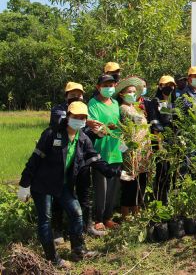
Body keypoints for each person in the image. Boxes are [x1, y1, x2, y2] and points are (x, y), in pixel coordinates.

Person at [18, 101, 120, 268]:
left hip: (62, 185)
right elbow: (35, 159)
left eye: (82, 117)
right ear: (68, 117)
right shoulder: (51, 134)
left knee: (76, 212)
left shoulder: (83, 138)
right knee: (45, 220)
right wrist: (24, 184)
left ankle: (78, 251)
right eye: (76, 117)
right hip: (42, 185)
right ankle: (53, 260)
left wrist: (117, 173)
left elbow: (96, 161)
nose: (79, 120)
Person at [49, 82, 106, 239]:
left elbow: (86, 134)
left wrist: (97, 132)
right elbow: (60, 123)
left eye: (79, 94)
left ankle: (86, 226)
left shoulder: (84, 110)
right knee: (59, 194)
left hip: (81, 161)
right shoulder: (58, 110)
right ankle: (58, 230)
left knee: (84, 194)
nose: (76, 97)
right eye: (72, 94)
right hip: (62, 161)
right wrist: (85, 121)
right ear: (66, 96)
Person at [88, 74, 122, 232]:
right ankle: (98, 218)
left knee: (113, 187)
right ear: (98, 87)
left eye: (112, 84)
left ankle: (108, 217)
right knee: (101, 187)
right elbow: (94, 126)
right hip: (100, 150)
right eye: (105, 84)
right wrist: (107, 129)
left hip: (116, 149)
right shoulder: (93, 103)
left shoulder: (115, 103)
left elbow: (120, 124)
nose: (109, 87)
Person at [115, 77, 152, 219]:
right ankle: (125, 212)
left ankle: (136, 209)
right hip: (130, 151)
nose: (132, 94)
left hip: (142, 151)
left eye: (134, 92)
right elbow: (137, 121)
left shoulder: (136, 107)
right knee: (129, 182)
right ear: (121, 94)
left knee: (140, 181)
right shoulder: (123, 108)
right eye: (129, 92)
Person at [149, 75, 178, 204]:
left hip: (171, 142)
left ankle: (166, 199)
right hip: (160, 142)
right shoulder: (155, 101)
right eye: (167, 85)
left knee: (169, 172)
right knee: (162, 171)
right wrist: (159, 144)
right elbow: (155, 124)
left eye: (172, 85)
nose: (169, 88)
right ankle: (158, 200)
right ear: (160, 86)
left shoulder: (171, 103)